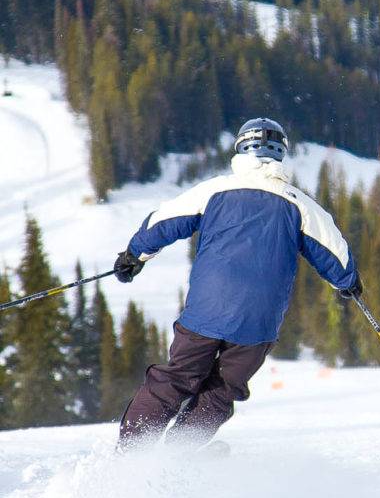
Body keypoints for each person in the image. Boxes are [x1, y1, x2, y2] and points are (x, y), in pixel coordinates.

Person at [113, 118, 362, 450]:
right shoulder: (298, 204)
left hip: (207, 311)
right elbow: (335, 253)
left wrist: (134, 255)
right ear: (280, 154)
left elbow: (163, 221)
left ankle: (133, 454)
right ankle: (177, 456)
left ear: (241, 148)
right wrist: (348, 283)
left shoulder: (214, 190)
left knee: (174, 380)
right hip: (258, 324)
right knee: (222, 390)